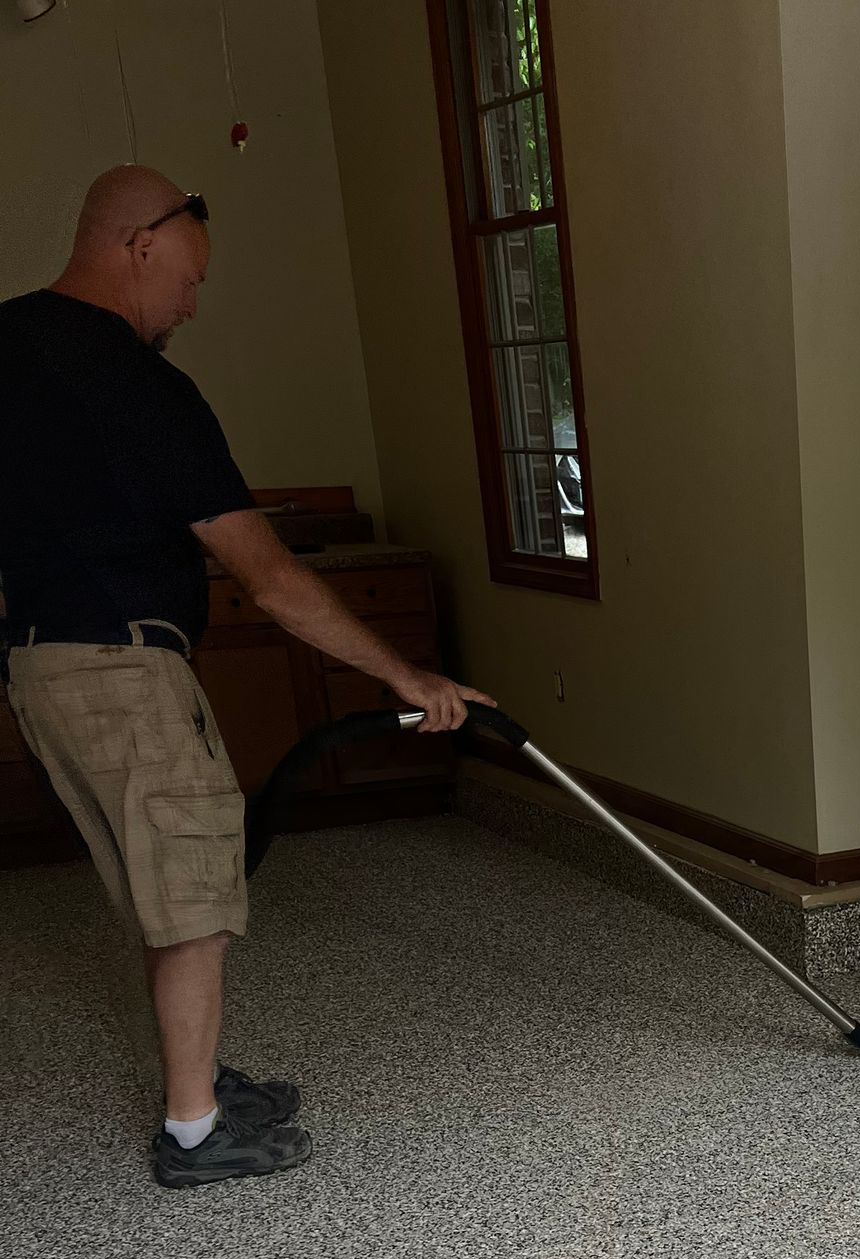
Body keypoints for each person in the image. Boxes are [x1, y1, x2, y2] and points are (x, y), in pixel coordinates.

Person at [0, 167, 493, 1188]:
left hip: (41, 664)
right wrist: (407, 674)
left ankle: (200, 1080)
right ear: (139, 242)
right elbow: (269, 579)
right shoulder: (137, 383)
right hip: (124, 663)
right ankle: (194, 1129)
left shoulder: (4, 344)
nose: (191, 303)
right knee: (189, 898)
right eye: (189, 280)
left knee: (160, 886)